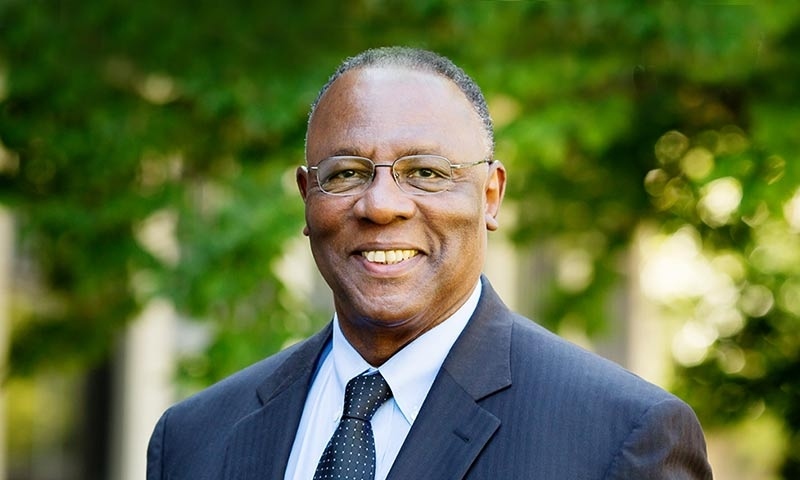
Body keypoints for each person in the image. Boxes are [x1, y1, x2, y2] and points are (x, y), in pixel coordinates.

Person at [147, 46, 713, 480]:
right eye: (346, 173)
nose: (381, 205)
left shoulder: (622, 439)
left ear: (490, 196)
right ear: (306, 196)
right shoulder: (195, 439)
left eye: (427, 173)